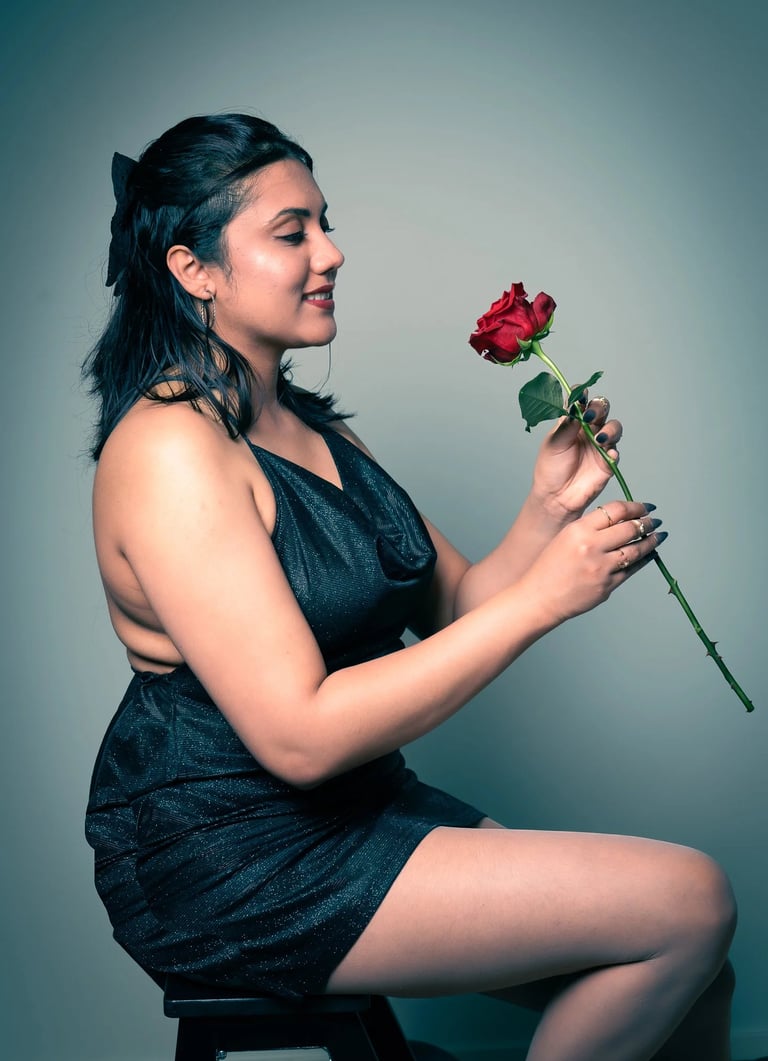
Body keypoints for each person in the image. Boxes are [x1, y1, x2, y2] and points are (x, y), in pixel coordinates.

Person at [83, 113, 736, 1061]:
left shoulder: (314, 428)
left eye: (325, 223)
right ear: (194, 270)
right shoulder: (169, 449)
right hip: (236, 851)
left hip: (359, 807)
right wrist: (547, 596)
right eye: (292, 231)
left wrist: (544, 513)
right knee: (690, 900)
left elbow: (459, 606)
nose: (333, 252)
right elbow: (299, 737)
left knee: (693, 971)